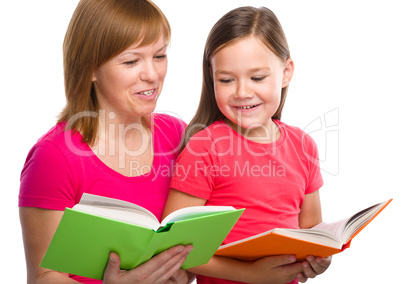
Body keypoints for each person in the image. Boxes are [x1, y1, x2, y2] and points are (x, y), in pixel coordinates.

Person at [18, 0, 193, 283]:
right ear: (90, 68)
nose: (152, 74)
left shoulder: (177, 134)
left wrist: (181, 271)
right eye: (131, 61)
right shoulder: (54, 157)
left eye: (159, 56)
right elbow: (43, 277)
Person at [163, 6, 332, 284]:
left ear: (286, 72)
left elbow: (311, 230)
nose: (242, 92)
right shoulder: (205, 147)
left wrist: (318, 259)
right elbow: (173, 245)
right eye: (226, 80)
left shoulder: (304, 146)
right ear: (212, 76)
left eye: (257, 78)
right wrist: (249, 274)